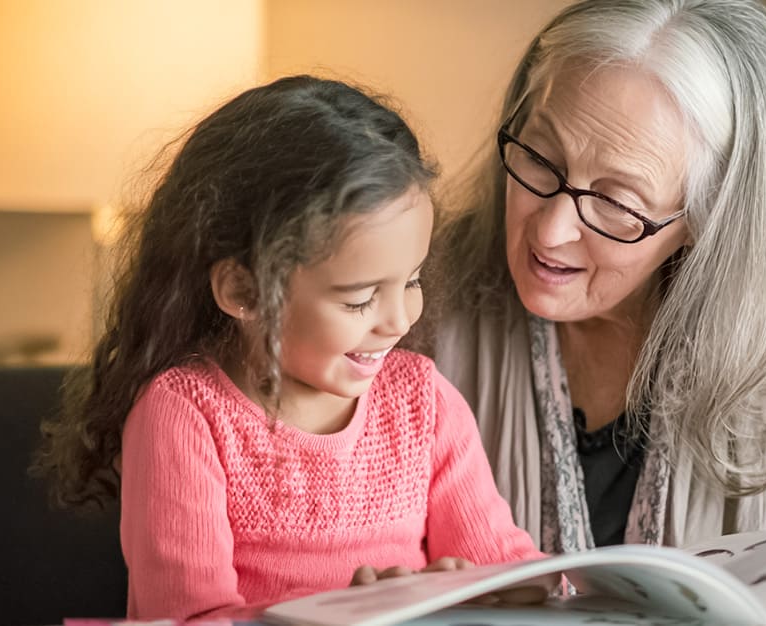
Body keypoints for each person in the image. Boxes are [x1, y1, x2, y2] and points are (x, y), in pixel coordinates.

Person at [424, 0, 766, 574]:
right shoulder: (417, 306)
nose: (549, 230)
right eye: (541, 159)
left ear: (704, 220)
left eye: (615, 203)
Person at [33, 75, 543, 621]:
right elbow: (186, 617)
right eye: (361, 299)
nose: (399, 320)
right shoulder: (185, 414)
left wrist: (509, 587)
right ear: (243, 290)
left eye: (412, 280)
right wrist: (352, 610)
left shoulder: (424, 403)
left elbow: (507, 566)